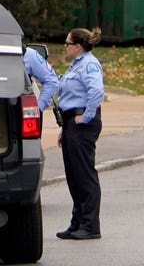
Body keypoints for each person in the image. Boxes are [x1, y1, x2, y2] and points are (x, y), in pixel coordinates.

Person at [55, 27, 104, 240]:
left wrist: (87, 116)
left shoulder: (89, 64)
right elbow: (69, 98)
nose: (64, 46)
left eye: (67, 43)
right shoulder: (76, 64)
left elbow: (96, 91)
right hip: (71, 124)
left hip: (82, 124)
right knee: (74, 177)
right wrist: (63, 128)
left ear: (77, 46)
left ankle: (90, 226)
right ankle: (77, 222)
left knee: (84, 176)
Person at [24, 46, 58, 112]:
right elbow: (51, 81)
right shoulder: (28, 54)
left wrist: (37, 109)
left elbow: (51, 81)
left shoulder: (26, 54)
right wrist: (37, 109)